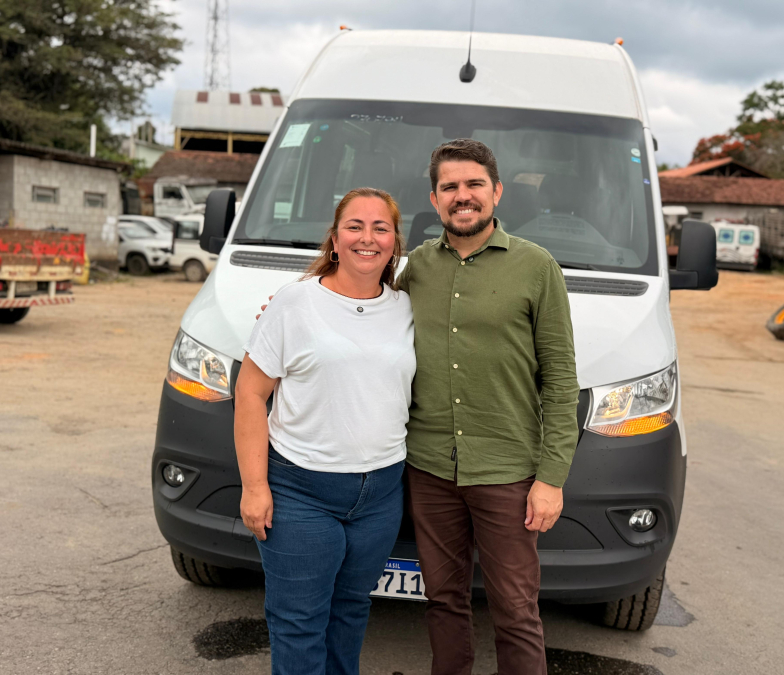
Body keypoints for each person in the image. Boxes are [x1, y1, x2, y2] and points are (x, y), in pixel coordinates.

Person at [397, 139, 579, 675]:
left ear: (496, 192)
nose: (463, 196)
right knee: (443, 601)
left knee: (516, 611)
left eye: (474, 184)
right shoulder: (414, 271)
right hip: (429, 468)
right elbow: (355, 314)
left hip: (507, 472)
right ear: (435, 199)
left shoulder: (536, 267)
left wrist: (551, 477)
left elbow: (561, 379)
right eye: (450, 187)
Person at [234, 187, 415, 675]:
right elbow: (250, 394)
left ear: (395, 243)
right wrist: (254, 488)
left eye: (381, 228)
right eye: (355, 226)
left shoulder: (406, 308)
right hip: (301, 490)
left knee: (352, 611)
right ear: (334, 240)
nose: (367, 238)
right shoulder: (294, 303)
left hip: (380, 494)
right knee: (299, 622)